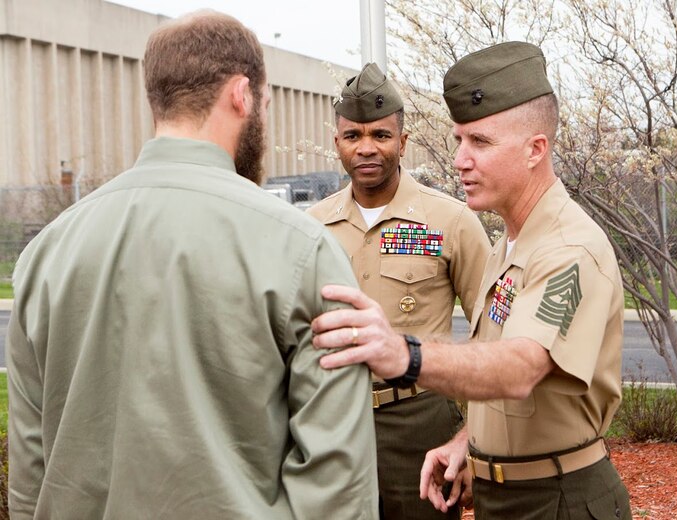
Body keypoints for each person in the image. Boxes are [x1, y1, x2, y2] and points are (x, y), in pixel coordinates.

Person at [7, 11, 378, 519]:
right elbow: (337, 484)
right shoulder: (302, 250)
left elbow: (31, 474)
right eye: (265, 105)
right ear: (242, 94)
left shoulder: (44, 255)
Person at [310, 41, 632, 519]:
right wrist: (467, 441)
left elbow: (521, 368)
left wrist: (402, 353)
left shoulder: (568, 250)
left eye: (480, 142)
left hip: (556, 498)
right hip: (503, 492)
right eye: (459, 140)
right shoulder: (510, 244)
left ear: (534, 149)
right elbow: (501, 371)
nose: (460, 159)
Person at [307, 62, 490, 520]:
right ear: (337, 144)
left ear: (402, 142)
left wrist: (471, 438)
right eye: (353, 136)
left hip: (420, 421)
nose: (366, 148)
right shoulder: (309, 230)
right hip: (333, 424)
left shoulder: (451, 222)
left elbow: (497, 336)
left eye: (381, 135)